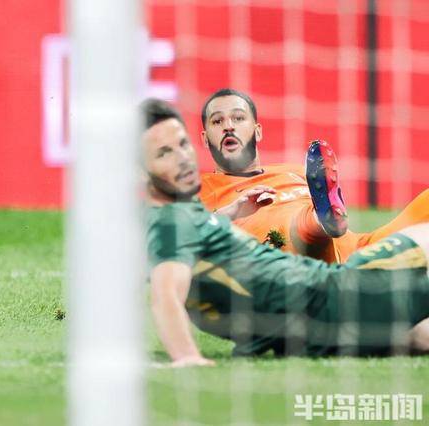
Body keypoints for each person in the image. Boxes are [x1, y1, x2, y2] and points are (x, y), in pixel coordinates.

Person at [142, 98, 429, 367]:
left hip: (303, 332)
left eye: (183, 144)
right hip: (327, 293)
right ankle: (319, 220)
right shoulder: (172, 222)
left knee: (415, 335)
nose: (182, 158)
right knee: (423, 239)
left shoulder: (182, 220)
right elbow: (165, 294)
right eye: (164, 153)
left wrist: (231, 212)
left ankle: (322, 219)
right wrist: (187, 357)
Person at [198, 88, 429, 263]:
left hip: (359, 253)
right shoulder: (199, 188)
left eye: (238, 118)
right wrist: (231, 211)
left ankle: (325, 219)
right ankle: (320, 221)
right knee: (299, 228)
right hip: (298, 269)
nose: (228, 126)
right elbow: (184, 233)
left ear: (257, 132)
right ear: (205, 139)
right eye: (217, 121)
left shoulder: (295, 171)